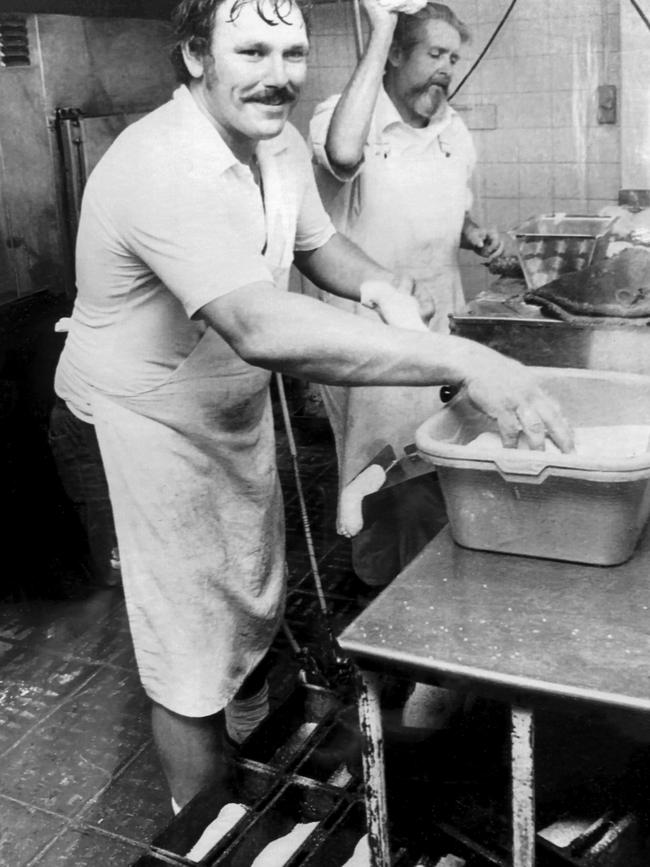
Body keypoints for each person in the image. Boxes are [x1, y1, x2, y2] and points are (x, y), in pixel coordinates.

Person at [52, 0, 571, 812]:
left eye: (292, 53)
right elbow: (258, 324)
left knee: (250, 587)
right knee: (187, 647)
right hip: (136, 419)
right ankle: (212, 825)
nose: (278, 75)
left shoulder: (279, 143)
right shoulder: (159, 163)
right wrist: (462, 356)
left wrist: (378, 285)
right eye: (251, 50)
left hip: (222, 404)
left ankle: (254, 740)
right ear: (195, 56)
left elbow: (316, 243)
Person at [309, 0, 504, 587]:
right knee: (381, 468)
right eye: (434, 54)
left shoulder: (453, 128)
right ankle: (385, 594)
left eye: (453, 57)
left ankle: (440, 577)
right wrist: (381, 30)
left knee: (442, 457)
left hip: (445, 319)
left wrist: (476, 235)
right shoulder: (343, 118)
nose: (446, 68)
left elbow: (453, 208)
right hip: (370, 333)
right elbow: (342, 158)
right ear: (395, 55)